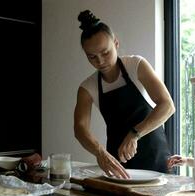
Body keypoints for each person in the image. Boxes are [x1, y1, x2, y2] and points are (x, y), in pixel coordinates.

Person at [74, 10, 175, 179]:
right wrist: (100, 153)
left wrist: (134, 134)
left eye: (105, 52)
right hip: (118, 164)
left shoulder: (136, 65)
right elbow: (80, 129)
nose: (100, 61)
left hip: (155, 157)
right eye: (92, 57)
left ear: (116, 43)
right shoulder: (87, 87)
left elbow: (167, 106)